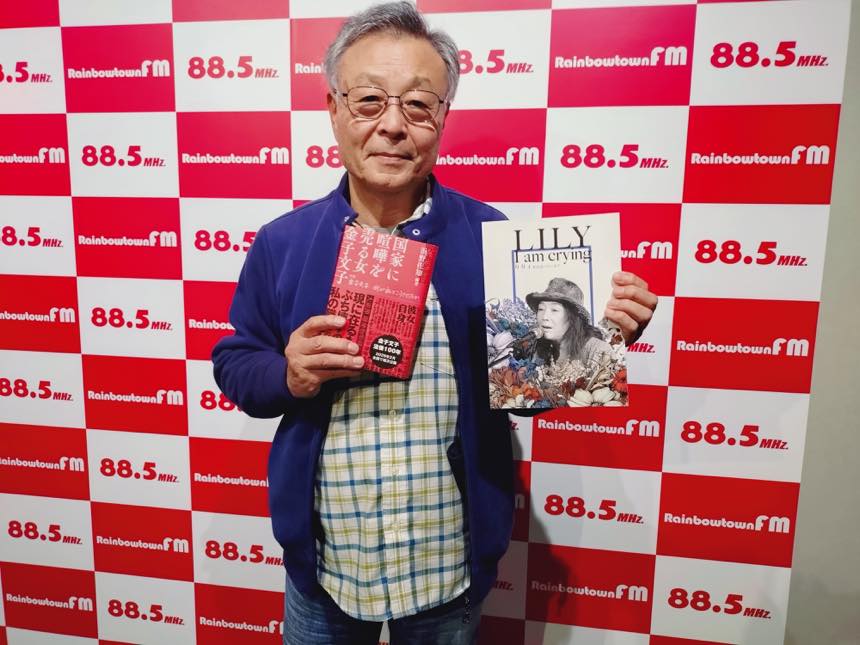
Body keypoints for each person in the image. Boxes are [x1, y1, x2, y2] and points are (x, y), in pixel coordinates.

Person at [211, 3, 657, 643]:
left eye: (419, 104)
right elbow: (236, 363)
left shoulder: (492, 239)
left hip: (447, 562)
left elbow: (525, 390)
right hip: (327, 563)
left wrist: (595, 342)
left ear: (443, 117)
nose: (393, 125)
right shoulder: (284, 242)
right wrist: (288, 373)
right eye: (369, 100)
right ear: (333, 109)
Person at [526, 277, 612, 368]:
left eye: (554, 310)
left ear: (572, 317)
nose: (545, 317)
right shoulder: (537, 351)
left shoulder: (598, 351)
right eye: (541, 309)